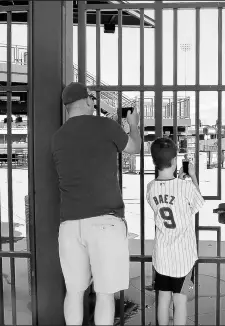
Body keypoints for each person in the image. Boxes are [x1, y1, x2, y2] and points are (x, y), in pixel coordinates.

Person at [52, 82, 141, 325]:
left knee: (74, 292)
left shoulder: (58, 137)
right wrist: (132, 124)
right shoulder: (104, 125)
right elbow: (134, 148)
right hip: (105, 221)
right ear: (88, 101)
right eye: (92, 99)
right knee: (105, 294)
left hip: (69, 226)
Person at [146, 138, 204, 326]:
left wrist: (178, 181)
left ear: (155, 161)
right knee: (180, 301)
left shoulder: (151, 188)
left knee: (163, 300)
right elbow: (198, 203)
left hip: (162, 256)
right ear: (174, 161)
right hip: (183, 258)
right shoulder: (185, 186)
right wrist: (192, 176)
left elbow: (167, 197)